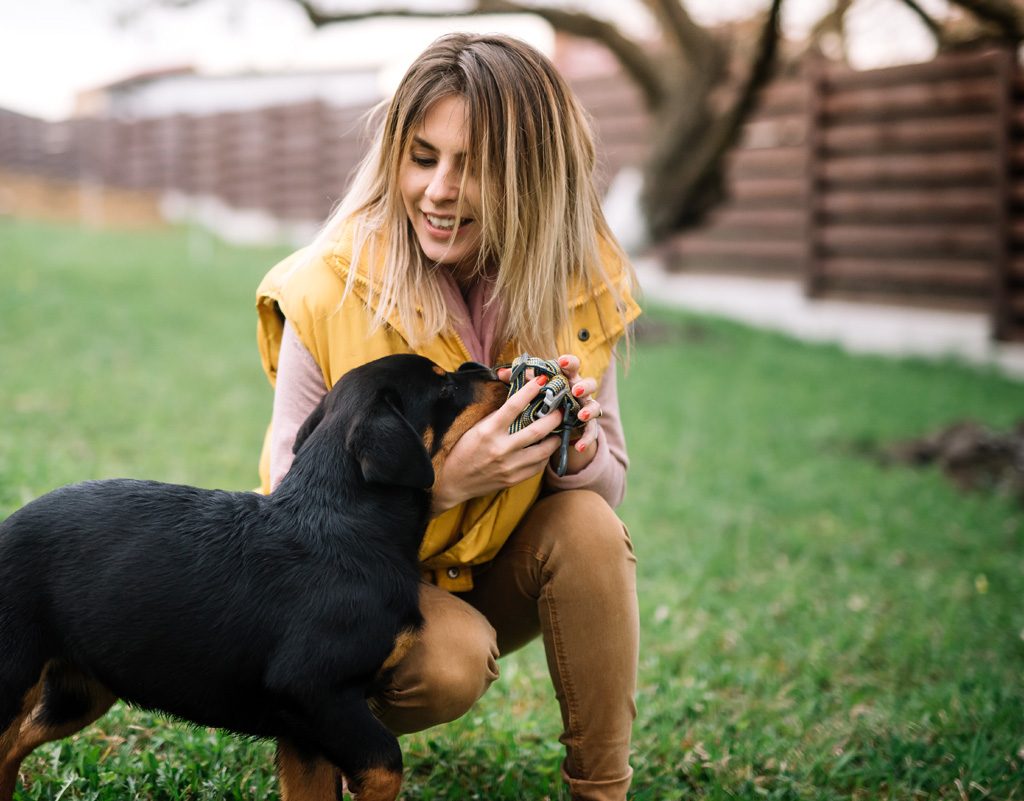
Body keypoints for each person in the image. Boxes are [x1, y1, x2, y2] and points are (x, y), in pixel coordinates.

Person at [254, 32, 641, 801]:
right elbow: (288, 508)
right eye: (423, 156)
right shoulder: (328, 285)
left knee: (592, 528)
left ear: (535, 174)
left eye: (476, 166)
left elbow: (611, 482)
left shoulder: (577, 280)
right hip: (351, 591)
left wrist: (575, 447)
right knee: (449, 660)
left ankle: (602, 791)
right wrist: (441, 485)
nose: (438, 189)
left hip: (490, 568)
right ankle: (320, 720)